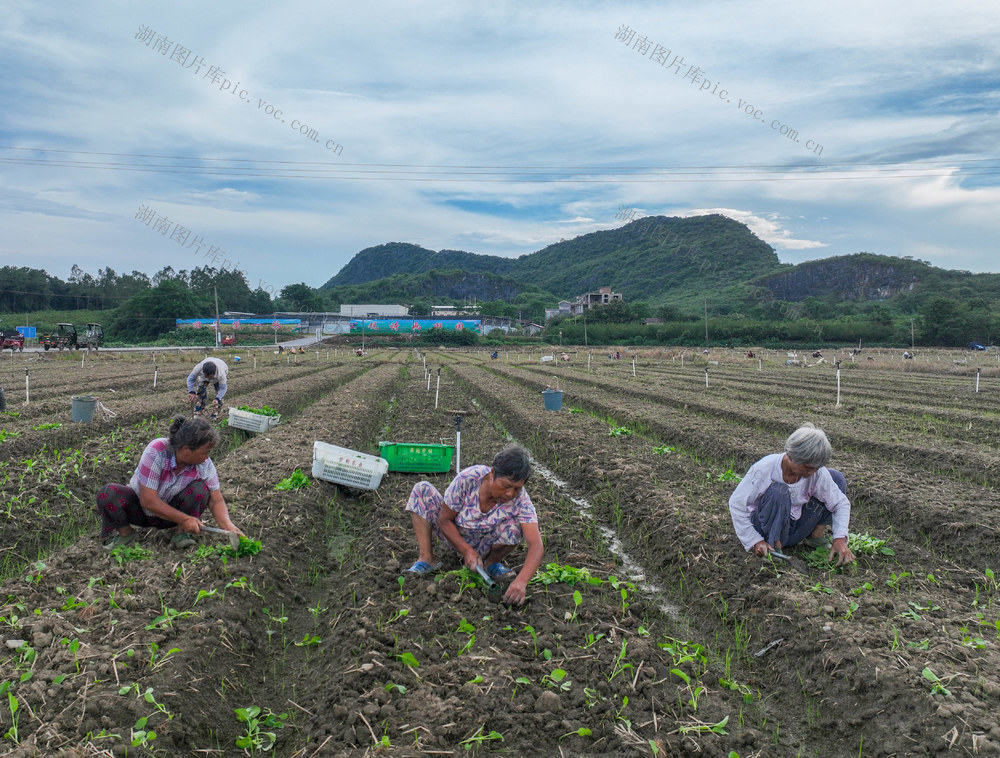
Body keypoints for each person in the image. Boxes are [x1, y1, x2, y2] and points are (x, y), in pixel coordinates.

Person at [404, 445, 544, 605]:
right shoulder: (469, 479)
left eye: (517, 489)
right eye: (506, 486)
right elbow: (444, 519)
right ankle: (427, 558)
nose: (510, 494)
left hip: (486, 545)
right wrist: (467, 551)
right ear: (492, 473)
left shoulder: (521, 501)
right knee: (422, 489)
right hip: (453, 536)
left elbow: (536, 545)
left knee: (515, 524)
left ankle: (491, 563)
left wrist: (521, 582)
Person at [95, 416, 243, 549]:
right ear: (186, 450)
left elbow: (216, 500)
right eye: (204, 452)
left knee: (200, 489)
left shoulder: (204, 464)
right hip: (139, 511)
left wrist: (228, 525)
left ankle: (181, 532)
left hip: (172, 516)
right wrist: (185, 518)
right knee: (107, 493)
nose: (207, 457)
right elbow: (148, 500)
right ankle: (126, 534)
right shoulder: (157, 451)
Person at [729, 423, 854, 566]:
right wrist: (754, 540)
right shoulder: (764, 468)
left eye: (816, 468)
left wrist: (840, 538)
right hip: (764, 527)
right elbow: (736, 504)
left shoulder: (816, 473)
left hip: (794, 529)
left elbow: (840, 503)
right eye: (807, 467)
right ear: (791, 456)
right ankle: (773, 546)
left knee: (836, 478)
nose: (812, 472)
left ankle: (814, 537)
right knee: (779, 491)